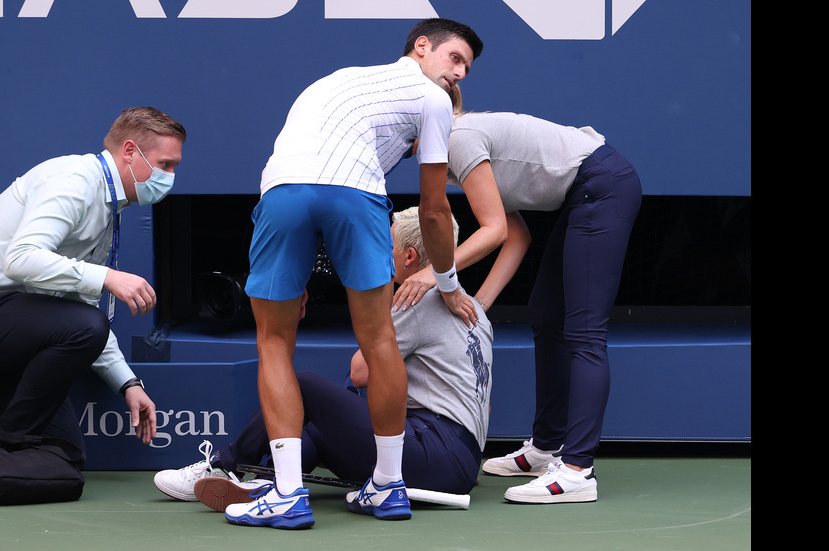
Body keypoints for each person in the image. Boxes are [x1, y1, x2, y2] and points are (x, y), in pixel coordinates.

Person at [230, 18, 483, 529]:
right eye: (454, 59)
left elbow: (322, 166)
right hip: (355, 197)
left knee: (274, 342)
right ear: (421, 47)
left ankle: (285, 495)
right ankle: (388, 488)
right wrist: (449, 284)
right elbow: (434, 213)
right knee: (379, 341)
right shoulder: (434, 101)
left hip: (283, 193)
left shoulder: (339, 80)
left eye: (466, 68)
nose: (458, 74)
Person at [154, 206, 492, 520]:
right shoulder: (474, 308)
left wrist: (384, 302)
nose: (382, 255)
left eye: (387, 246)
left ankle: (222, 465)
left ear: (409, 257)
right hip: (460, 463)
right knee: (317, 429)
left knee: (306, 385)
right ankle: (271, 481)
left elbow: (360, 373)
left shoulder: (416, 298)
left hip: (431, 451)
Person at [392, 87, 643, 503]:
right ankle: (548, 448)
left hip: (602, 186)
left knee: (584, 333)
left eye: (405, 134)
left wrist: (438, 276)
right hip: (585, 193)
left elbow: (495, 232)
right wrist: (478, 306)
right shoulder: (456, 151)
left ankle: (578, 470)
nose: (404, 145)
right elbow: (518, 235)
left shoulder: (459, 139)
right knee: (546, 313)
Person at [0, 107, 186, 465]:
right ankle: (7, 447)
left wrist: (128, 383)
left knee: (62, 452)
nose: (170, 176)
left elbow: (82, 307)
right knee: (86, 326)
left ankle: (0, 443)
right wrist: (109, 277)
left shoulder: (108, 205)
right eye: (166, 164)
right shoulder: (74, 181)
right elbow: (20, 259)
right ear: (129, 152)